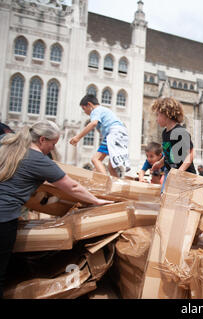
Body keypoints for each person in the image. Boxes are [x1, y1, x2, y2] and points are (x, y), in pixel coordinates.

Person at [0, 120, 112, 298]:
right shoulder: (38, 160)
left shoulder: (8, 147)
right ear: (42, 140)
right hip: (4, 219)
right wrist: (96, 201)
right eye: (52, 145)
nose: (51, 149)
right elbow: (72, 187)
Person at [69, 94, 130, 177]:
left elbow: (93, 123)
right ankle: (116, 185)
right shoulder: (104, 111)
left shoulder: (96, 110)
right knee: (110, 167)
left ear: (89, 105)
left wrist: (77, 137)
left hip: (114, 133)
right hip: (121, 134)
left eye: (84, 109)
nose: (84, 112)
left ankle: (105, 181)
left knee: (95, 159)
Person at [150, 97, 196, 192]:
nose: (156, 119)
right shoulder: (165, 133)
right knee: (165, 196)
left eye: (158, 115)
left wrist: (180, 171)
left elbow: (191, 154)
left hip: (185, 174)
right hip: (170, 172)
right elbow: (168, 154)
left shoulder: (180, 132)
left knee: (181, 201)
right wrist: (159, 163)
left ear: (166, 114)